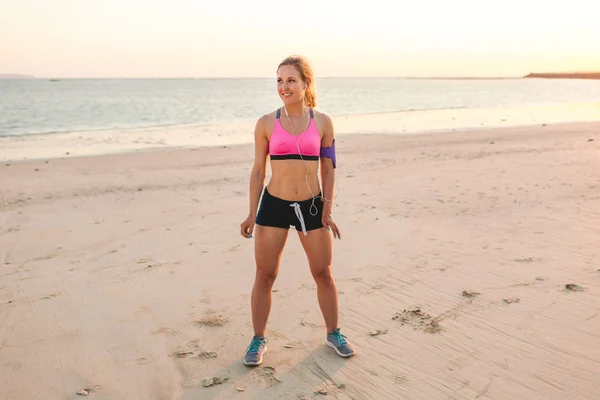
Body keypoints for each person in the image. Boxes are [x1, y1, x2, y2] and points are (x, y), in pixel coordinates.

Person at [239, 55, 356, 366]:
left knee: (322, 274)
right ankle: (258, 338)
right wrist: (252, 213)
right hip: (274, 205)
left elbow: (329, 170)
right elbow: (257, 171)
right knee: (265, 275)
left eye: (291, 80)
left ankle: (334, 333)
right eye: (279, 80)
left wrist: (327, 210)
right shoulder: (266, 123)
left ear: (306, 84)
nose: (284, 86)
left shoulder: (323, 122)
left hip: (312, 206)